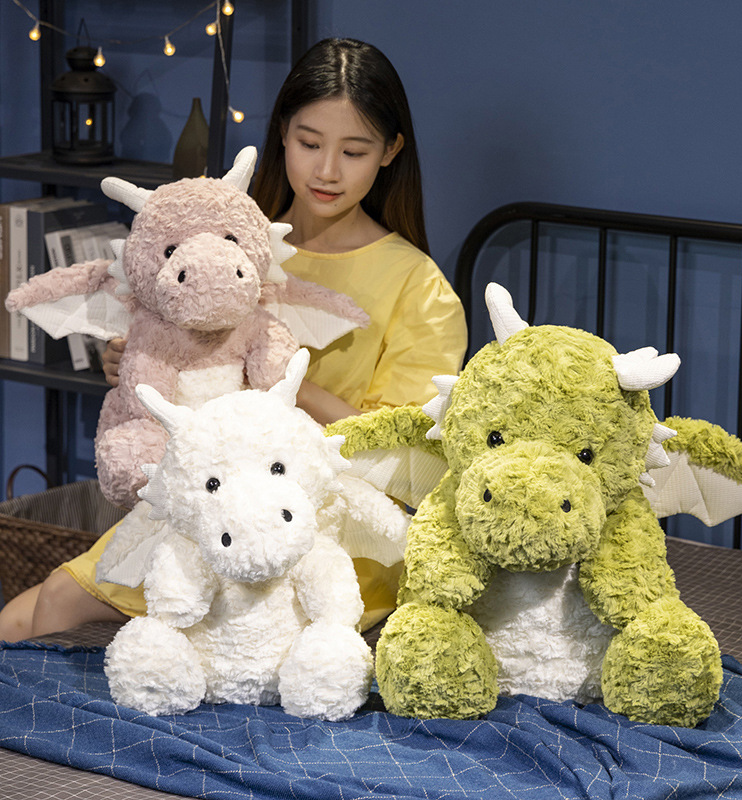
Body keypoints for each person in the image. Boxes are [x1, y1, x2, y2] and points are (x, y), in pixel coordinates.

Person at [0, 38, 467, 643]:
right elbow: (170, 330)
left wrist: (286, 382)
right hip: (205, 491)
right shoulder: (229, 235)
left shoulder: (418, 287)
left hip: (319, 518)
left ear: (390, 151)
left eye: (354, 151)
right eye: (309, 143)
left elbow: (403, 457)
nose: (327, 170)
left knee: (59, 602)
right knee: (21, 616)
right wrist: (136, 359)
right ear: (282, 133)